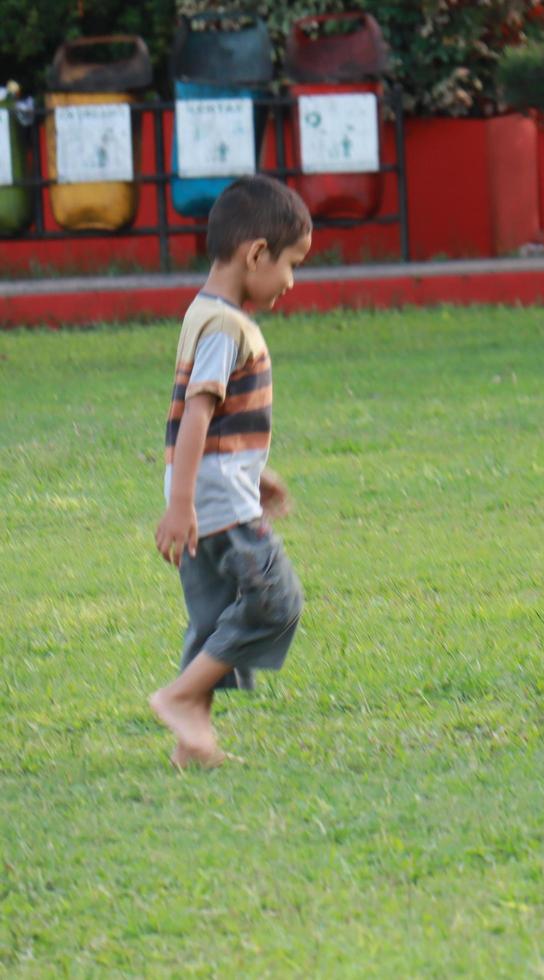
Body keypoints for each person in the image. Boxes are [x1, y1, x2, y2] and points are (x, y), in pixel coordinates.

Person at [150, 175, 312, 768]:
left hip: (212, 491)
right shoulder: (226, 327)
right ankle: (181, 696)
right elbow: (197, 411)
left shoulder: (205, 312)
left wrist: (252, 473)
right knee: (276, 598)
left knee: (216, 616)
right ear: (257, 254)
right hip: (214, 505)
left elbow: (216, 419)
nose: (292, 281)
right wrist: (184, 504)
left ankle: (193, 738)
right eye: (292, 263)